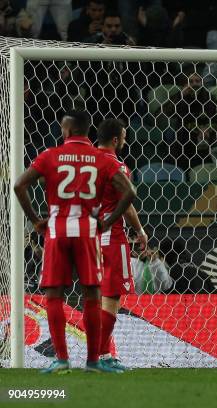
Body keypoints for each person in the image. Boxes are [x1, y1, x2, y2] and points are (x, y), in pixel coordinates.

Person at [13, 110, 136, 374]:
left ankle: (61, 360)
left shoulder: (51, 155)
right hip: (89, 231)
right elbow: (130, 192)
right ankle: (93, 361)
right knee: (92, 294)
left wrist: (36, 220)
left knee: (54, 295)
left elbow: (19, 185)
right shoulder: (99, 158)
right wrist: (108, 220)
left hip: (57, 230)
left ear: (66, 131)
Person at [96, 118, 148, 372]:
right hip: (111, 236)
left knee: (96, 297)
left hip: (86, 236)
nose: (125, 141)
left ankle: (102, 354)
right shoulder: (117, 166)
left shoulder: (85, 162)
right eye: (124, 137)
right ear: (116, 140)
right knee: (111, 298)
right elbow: (126, 203)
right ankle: (100, 355)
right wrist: (139, 230)